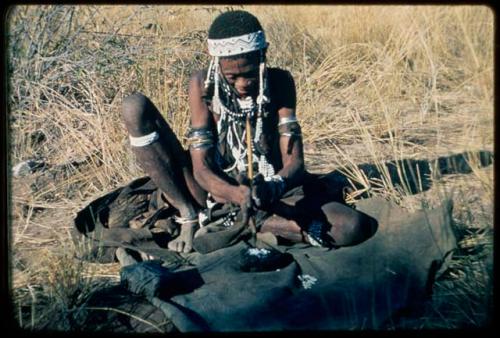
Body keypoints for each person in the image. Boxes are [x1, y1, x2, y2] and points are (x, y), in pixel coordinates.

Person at [121, 10, 377, 254]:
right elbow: (201, 169)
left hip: (273, 192)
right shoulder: (202, 84)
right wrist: (232, 193)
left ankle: (241, 223)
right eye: (232, 77)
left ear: (263, 54)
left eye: (250, 74)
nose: (243, 85)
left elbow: (295, 162)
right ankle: (190, 217)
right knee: (134, 107)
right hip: (211, 190)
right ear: (217, 63)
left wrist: (274, 187)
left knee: (351, 227)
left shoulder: (280, 83)